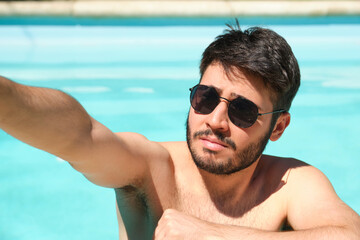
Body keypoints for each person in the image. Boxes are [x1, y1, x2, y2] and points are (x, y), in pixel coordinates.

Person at [1, 23, 359, 240]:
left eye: (242, 110)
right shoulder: (149, 170)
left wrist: (218, 234)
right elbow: (81, 136)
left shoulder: (291, 184)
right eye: (206, 98)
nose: (216, 120)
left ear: (278, 126)